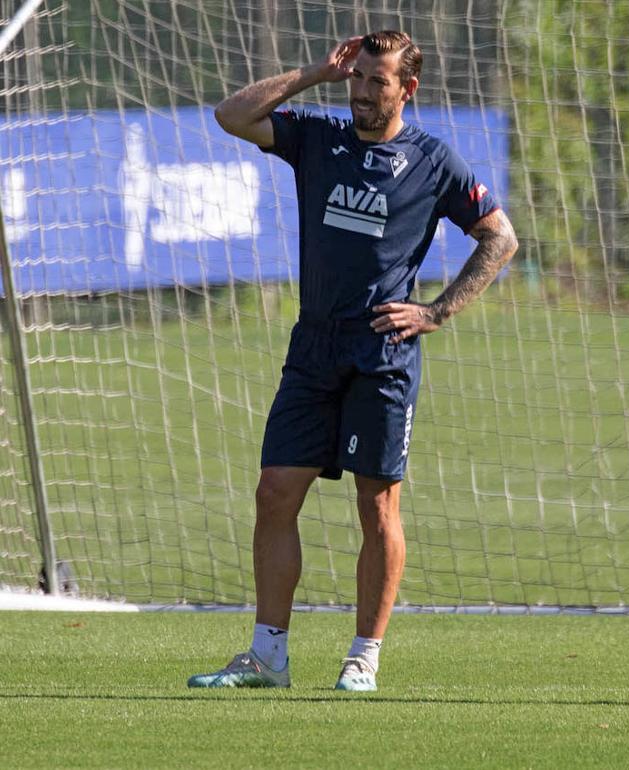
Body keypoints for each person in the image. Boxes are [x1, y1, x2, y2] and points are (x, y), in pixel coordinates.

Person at [188, 31, 517, 691]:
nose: (362, 93)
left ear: (407, 89)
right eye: (358, 79)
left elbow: (500, 238)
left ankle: (363, 657)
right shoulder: (319, 138)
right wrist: (317, 73)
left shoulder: (433, 161)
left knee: (378, 506)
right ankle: (268, 657)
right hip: (314, 347)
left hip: (381, 354)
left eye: (377, 82)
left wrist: (436, 311)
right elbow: (232, 115)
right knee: (275, 492)